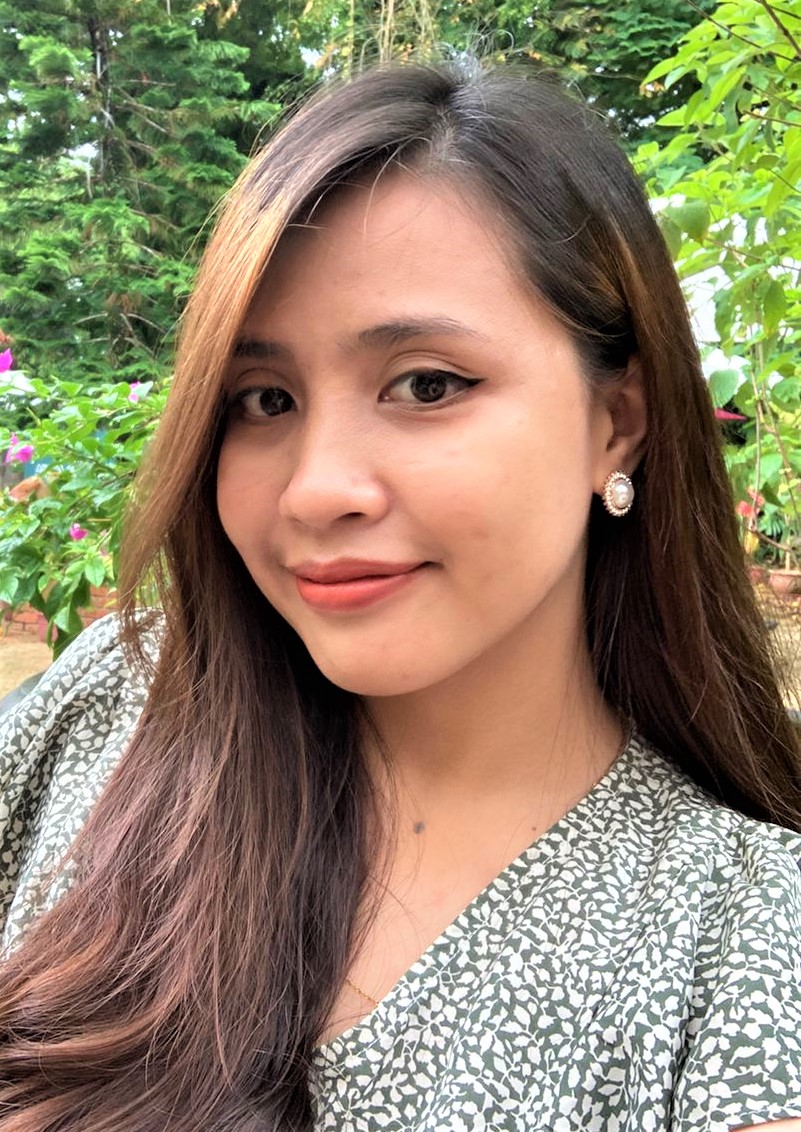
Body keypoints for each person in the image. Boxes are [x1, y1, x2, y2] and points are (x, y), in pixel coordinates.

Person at [0, 57, 800, 1132]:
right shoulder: (127, 701)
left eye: (427, 384)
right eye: (263, 399)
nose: (316, 489)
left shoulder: (740, 942)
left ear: (616, 424)